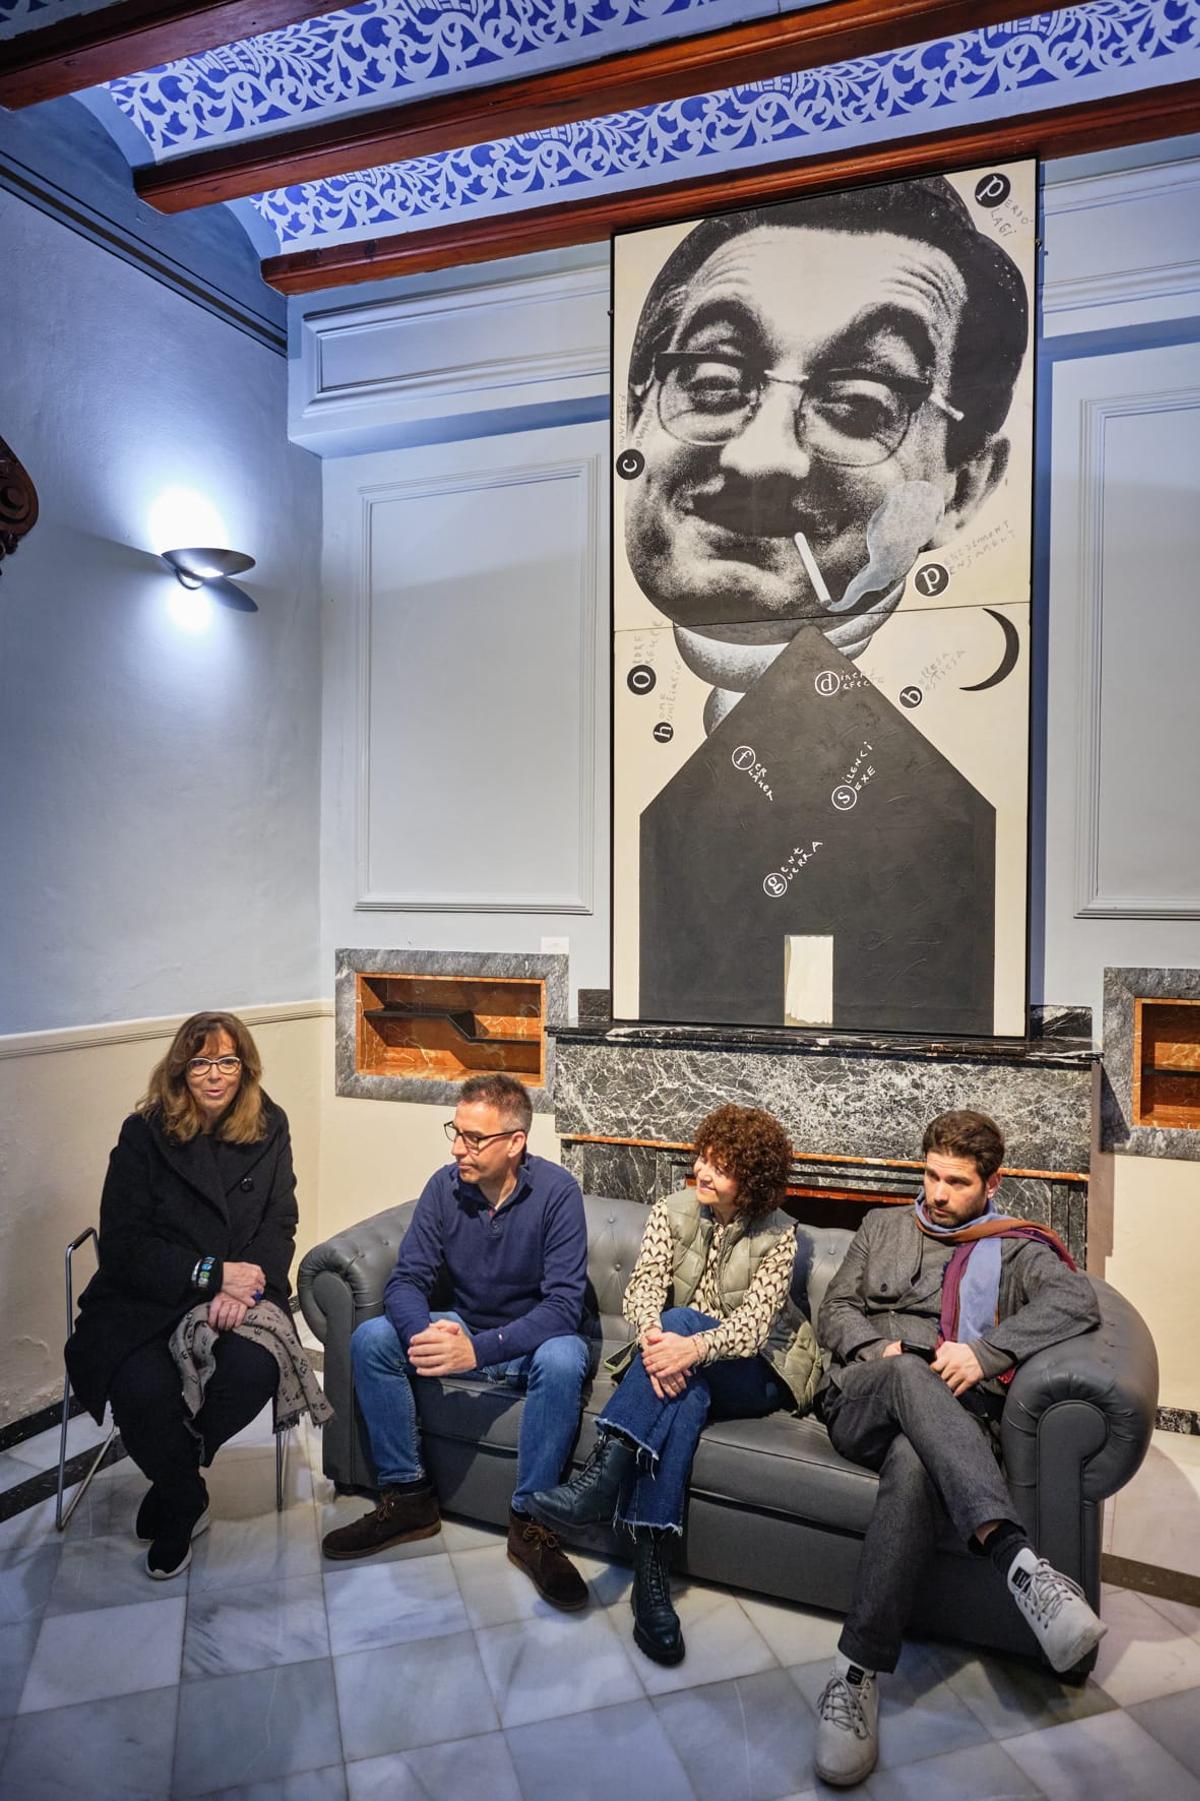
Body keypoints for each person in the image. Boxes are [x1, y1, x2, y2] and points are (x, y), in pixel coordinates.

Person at [617, 175, 1030, 1034]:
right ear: (634, 419)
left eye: (857, 405)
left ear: (964, 487)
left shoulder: (943, 814)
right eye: (713, 378)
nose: (764, 457)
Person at [810, 1108, 1104, 1788]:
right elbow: (834, 1310)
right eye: (931, 1175)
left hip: (941, 1422)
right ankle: (1020, 1563)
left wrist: (984, 1351)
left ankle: (855, 1673)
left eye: (957, 1182)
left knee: (916, 1464)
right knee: (910, 1370)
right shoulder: (883, 1224)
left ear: (992, 1182)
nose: (938, 1194)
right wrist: (878, 1348)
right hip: (860, 1399)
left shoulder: (1016, 1247)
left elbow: (1078, 1302)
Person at [527, 1103, 818, 1665]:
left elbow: (754, 1330)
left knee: (687, 1337)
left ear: (751, 1181)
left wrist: (686, 1344)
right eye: (704, 1156)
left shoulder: (781, 1236)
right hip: (687, 1367)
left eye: (721, 1166)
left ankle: (600, 1479)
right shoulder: (672, 1210)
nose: (704, 1171)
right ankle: (652, 1578)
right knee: (687, 1394)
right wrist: (663, 1341)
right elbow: (640, 1293)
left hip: (760, 1371)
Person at [321, 1072, 592, 1609]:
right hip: (464, 1327)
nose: (457, 1147)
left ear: (515, 1143)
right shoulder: (444, 1187)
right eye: (456, 1131)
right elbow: (406, 1281)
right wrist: (424, 1333)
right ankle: (408, 1498)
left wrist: (479, 1350)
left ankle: (530, 1523)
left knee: (565, 1358)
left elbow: (562, 1308)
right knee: (374, 1336)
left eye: (474, 1138)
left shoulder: (558, 1194)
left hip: (529, 1341)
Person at [66, 1011, 302, 1579]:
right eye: (200, 1062)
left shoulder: (270, 1124)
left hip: (238, 1290)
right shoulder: (144, 1132)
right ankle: (185, 1493)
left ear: (244, 1067)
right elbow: (123, 1244)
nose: (214, 1075)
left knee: (253, 1367)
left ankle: (175, 1477)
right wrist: (211, 1274)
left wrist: (246, 1285)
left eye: (226, 1061)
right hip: (148, 1294)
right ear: (180, 1069)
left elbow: (279, 1221)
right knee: (141, 1386)